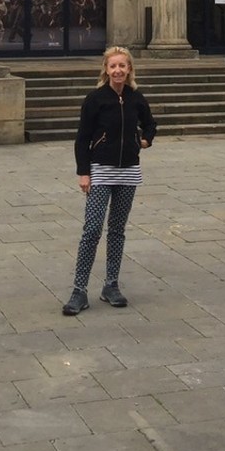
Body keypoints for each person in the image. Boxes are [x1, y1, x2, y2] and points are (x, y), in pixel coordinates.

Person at [62, 47, 157, 316]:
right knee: (92, 230)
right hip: (100, 170)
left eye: (122, 66)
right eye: (113, 66)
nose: (117, 71)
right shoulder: (95, 99)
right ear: (106, 69)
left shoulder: (136, 98)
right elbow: (82, 138)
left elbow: (150, 124)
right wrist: (84, 172)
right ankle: (79, 290)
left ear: (129, 70)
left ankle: (111, 286)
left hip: (128, 172)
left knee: (117, 230)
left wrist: (145, 141)